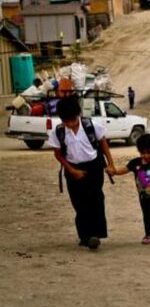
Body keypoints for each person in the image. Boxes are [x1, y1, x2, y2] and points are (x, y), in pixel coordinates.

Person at [48, 96, 116, 250]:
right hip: (72, 169)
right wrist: (71, 170)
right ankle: (84, 236)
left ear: (78, 114)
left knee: (96, 199)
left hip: (94, 167)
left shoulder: (92, 125)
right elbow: (58, 154)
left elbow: (104, 145)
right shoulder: (58, 132)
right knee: (79, 203)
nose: (71, 124)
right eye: (67, 121)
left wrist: (110, 164)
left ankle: (96, 235)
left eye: (73, 120)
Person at [111, 133, 150, 246]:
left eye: (149, 152)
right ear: (139, 151)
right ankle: (148, 235)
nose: (146, 155)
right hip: (144, 197)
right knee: (147, 215)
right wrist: (114, 172)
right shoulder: (135, 163)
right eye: (143, 153)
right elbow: (124, 170)